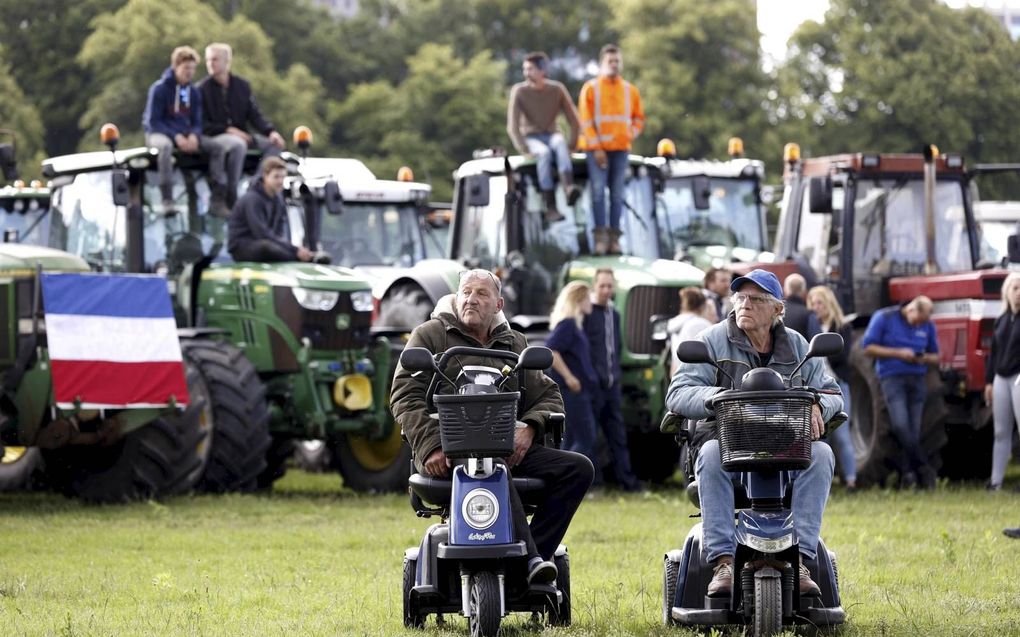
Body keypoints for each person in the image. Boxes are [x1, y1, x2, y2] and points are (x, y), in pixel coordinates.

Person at [390, 269, 595, 584]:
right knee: (493, 464)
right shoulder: (430, 335)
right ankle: (530, 562)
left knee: (578, 469)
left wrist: (529, 427)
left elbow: (549, 396)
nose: (472, 299)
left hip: (506, 446)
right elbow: (404, 395)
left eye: (481, 293)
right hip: (448, 448)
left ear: (498, 303)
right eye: (466, 292)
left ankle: (533, 557)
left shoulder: (515, 342)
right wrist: (430, 444)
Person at [666, 268, 842, 598]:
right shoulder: (712, 341)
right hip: (727, 444)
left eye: (756, 299)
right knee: (710, 453)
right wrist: (712, 398)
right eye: (740, 298)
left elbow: (833, 393)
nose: (745, 305)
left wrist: (818, 404)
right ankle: (722, 563)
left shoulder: (799, 345)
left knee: (822, 453)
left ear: (777, 309)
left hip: (785, 446)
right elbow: (677, 393)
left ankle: (800, 560)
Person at [861, 295, 940, 489]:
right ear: (912, 310)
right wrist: (899, 353)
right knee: (901, 426)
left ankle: (909, 475)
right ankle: (924, 469)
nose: (918, 326)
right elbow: (867, 347)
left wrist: (924, 358)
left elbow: (936, 356)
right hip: (892, 379)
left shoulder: (928, 325)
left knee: (913, 432)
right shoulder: (884, 318)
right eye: (917, 321)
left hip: (917, 380)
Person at [198, 42, 286, 212]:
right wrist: (227, 130)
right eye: (208, 60)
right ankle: (231, 195)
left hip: (242, 135)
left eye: (215, 59)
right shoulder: (202, 89)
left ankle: (256, 187)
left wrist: (271, 132)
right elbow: (201, 124)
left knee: (274, 145)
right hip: (216, 135)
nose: (210, 63)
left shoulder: (242, 87)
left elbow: (254, 114)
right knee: (238, 145)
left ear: (227, 61)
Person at [142, 46, 227, 217]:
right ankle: (167, 199)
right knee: (165, 148)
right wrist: (175, 136)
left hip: (187, 134)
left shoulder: (193, 92)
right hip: (160, 133)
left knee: (217, 148)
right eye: (186, 68)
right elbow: (153, 121)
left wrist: (195, 135)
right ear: (176, 66)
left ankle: (217, 199)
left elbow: (197, 120)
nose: (190, 73)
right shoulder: (159, 89)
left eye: (193, 69)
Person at [578, 44, 644, 256]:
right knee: (598, 194)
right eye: (610, 61)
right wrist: (596, 148)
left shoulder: (630, 90)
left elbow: (638, 119)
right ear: (602, 64)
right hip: (597, 150)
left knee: (617, 194)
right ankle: (599, 240)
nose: (614, 65)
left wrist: (629, 135)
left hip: (620, 150)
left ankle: (614, 240)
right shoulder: (591, 88)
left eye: (617, 61)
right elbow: (586, 121)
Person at [583, 268, 643, 492]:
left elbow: (614, 348)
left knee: (617, 434)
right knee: (590, 436)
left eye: (610, 286)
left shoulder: (614, 314)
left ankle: (627, 482)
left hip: (611, 385)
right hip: (592, 385)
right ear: (594, 287)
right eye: (602, 286)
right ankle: (594, 483)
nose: (607, 290)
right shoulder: (587, 313)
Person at [506, 51, 581, 224]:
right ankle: (550, 206)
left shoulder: (557, 90)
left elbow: (574, 120)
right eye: (525, 69)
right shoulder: (519, 91)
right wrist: (524, 149)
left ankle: (569, 188)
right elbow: (513, 126)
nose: (526, 73)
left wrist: (573, 145)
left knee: (560, 144)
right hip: (532, 138)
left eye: (530, 69)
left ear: (542, 71)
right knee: (544, 154)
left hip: (552, 133)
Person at [808, 285, 857, 490]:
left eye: (820, 303)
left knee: (843, 433)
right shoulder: (809, 326)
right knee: (820, 434)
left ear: (829, 303)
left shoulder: (842, 326)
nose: (816, 307)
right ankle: (824, 483)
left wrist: (824, 343)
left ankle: (852, 479)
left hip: (838, 385)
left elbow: (843, 356)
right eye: (813, 304)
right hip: (817, 387)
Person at [547, 282, 600, 467]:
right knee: (586, 437)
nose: (591, 302)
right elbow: (552, 351)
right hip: (573, 392)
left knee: (568, 439)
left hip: (576, 391)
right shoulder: (568, 324)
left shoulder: (575, 325)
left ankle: (560, 476)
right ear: (578, 300)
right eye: (588, 298)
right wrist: (569, 377)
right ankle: (568, 473)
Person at [227, 156, 312, 263]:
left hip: (267, 244)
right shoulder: (252, 199)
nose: (280, 181)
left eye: (283, 177)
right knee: (266, 247)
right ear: (265, 176)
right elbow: (261, 233)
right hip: (243, 248)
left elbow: (278, 233)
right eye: (276, 177)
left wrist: (290, 248)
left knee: (274, 247)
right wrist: (295, 250)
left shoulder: (279, 200)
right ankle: (303, 259)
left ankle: (304, 257)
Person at [984, 272, 1020, 491]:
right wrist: (989, 381)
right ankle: (995, 482)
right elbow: (993, 353)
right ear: (1007, 292)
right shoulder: (1001, 320)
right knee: (1000, 431)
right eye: (1015, 288)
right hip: (1001, 377)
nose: (1019, 293)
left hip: (1019, 376)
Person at [667, 287, 714, 377]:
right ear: (702, 305)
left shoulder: (678, 323)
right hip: (697, 377)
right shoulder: (700, 324)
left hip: (680, 375)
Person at [783, 273, 822, 340]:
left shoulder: (777, 313)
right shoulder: (808, 315)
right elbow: (818, 342)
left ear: (785, 290)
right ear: (804, 291)